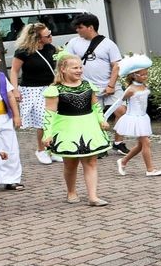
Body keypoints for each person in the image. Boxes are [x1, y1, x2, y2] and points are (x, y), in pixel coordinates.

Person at [42, 52, 110, 206]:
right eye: (74, 68)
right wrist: (47, 134)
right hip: (67, 128)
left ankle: (93, 197)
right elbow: (50, 114)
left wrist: (101, 120)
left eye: (80, 67)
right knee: (70, 163)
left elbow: (95, 105)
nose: (79, 70)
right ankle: (71, 191)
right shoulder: (55, 90)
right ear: (63, 69)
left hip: (88, 126)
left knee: (91, 161)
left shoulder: (88, 85)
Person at [64, 14, 125, 156]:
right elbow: (66, 63)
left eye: (80, 27)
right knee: (94, 117)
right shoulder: (74, 43)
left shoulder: (108, 44)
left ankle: (118, 142)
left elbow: (116, 65)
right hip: (89, 87)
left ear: (90, 27)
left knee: (121, 111)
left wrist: (111, 85)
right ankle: (99, 144)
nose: (77, 30)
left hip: (110, 85)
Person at [10, 23, 59, 165]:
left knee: (54, 119)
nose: (51, 36)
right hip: (32, 89)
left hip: (49, 87)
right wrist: (15, 89)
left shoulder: (50, 48)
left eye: (50, 33)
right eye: (47, 35)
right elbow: (14, 71)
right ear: (37, 38)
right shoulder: (23, 51)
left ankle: (53, 149)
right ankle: (41, 149)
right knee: (43, 120)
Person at [107, 55, 161, 177]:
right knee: (146, 143)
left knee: (140, 145)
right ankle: (150, 169)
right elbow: (118, 103)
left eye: (146, 74)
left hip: (143, 117)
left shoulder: (143, 85)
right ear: (134, 75)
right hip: (134, 118)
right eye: (142, 75)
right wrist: (104, 117)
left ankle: (123, 161)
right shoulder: (130, 89)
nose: (145, 76)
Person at [0, 45, 23, 191]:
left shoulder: (1, 76)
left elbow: (10, 95)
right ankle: (2, 177)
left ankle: (12, 179)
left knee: (11, 147)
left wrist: (16, 115)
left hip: (5, 117)